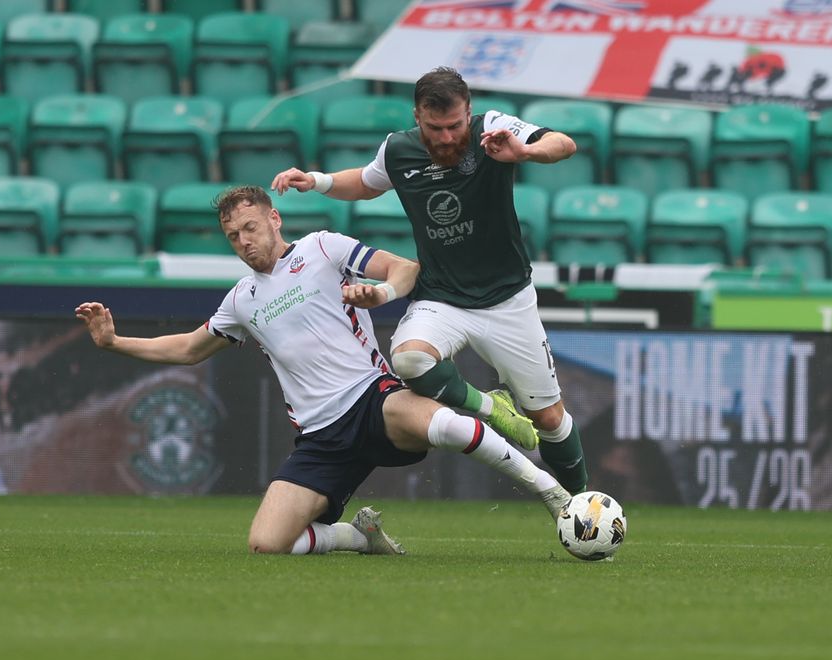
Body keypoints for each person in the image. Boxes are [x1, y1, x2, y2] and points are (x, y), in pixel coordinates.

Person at [75, 185, 572, 556]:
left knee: (446, 426)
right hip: (320, 437)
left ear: (274, 218)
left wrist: (379, 293)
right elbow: (188, 349)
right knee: (267, 544)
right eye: (233, 236)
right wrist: (114, 342)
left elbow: (405, 268)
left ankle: (551, 493)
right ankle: (357, 537)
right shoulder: (241, 300)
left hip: (373, 399)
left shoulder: (322, 248)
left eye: (250, 228)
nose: (244, 241)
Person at [271, 66, 589, 495]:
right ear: (417, 116)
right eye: (434, 128)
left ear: (469, 113)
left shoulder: (493, 129)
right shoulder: (398, 149)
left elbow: (564, 145)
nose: (445, 137)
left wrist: (526, 152)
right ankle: (491, 408)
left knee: (549, 419)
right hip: (442, 298)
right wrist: (317, 181)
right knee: (409, 360)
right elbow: (366, 183)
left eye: (455, 126)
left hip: (507, 299)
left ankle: (580, 502)